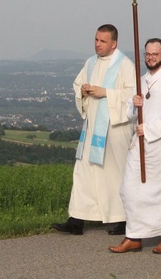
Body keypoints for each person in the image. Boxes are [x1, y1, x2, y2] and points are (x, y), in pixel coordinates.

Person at [52, 24, 136, 236]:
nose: (98, 44)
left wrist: (105, 92)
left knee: (115, 174)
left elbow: (132, 95)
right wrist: (83, 90)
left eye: (103, 41)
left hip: (114, 130)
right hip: (92, 128)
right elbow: (78, 83)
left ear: (114, 43)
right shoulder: (90, 62)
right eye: (96, 40)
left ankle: (123, 219)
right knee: (83, 171)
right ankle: (76, 219)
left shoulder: (125, 65)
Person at [110, 38, 161, 254]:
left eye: (155, 53)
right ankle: (134, 236)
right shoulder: (140, 80)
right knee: (130, 189)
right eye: (147, 54)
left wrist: (149, 129)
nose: (150, 57)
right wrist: (134, 106)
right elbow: (129, 113)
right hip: (140, 145)